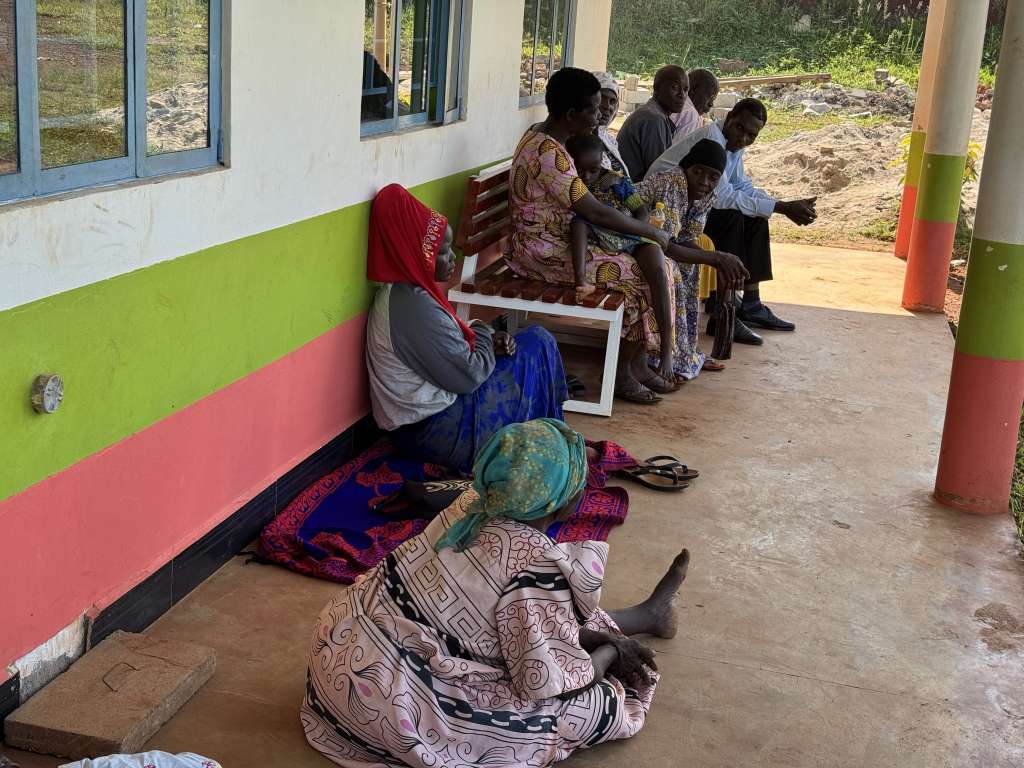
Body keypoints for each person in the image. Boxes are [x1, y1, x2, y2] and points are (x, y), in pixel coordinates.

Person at [302, 418, 692, 768]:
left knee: (549, 624)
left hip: (339, 663)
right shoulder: (538, 567)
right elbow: (543, 681)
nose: (585, 486)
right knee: (587, 709)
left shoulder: (470, 505)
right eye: (579, 479)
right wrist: (609, 653)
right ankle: (641, 620)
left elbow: (489, 623)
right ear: (556, 501)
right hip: (392, 709)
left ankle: (645, 615)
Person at [505, 66, 680, 404]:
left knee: (651, 267)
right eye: (593, 109)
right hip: (540, 251)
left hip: (558, 239)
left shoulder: (546, 138)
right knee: (641, 274)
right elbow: (595, 211)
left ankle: (638, 365)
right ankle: (623, 375)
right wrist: (649, 231)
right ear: (571, 114)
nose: (599, 115)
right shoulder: (549, 153)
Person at [365, 184, 568, 473]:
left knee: (531, 346)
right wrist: (485, 333)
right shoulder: (409, 304)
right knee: (537, 343)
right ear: (415, 253)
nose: (451, 260)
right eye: (442, 252)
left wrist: (483, 337)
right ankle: (550, 440)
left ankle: (547, 437)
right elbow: (468, 375)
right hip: (431, 429)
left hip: (434, 417)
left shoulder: (408, 293)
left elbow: (449, 338)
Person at [647, 98, 817, 343]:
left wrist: (780, 204)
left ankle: (751, 303)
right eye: (740, 129)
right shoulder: (712, 139)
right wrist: (781, 207)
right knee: (732, 217)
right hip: (665, 207)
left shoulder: (732, 144)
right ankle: (722, 311)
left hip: (692, 206)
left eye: (752, 135)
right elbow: (723, 197)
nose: (744, 139)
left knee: (756, 217)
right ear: (730, 116)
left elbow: (740, 185)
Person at [565, 132, 676, 389]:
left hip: (631, 235)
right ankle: (582, 280)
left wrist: (636, 231)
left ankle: (666, 351)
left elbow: (641, 210)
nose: (586, 176)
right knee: (579, 225)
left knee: (659, 272)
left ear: (602, 162)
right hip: (597, 236)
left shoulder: (616, 181)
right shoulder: (570, 184)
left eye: (593, 170)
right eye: (580, 169)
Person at [638, 139, 748, 379]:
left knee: (691, 267)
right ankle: (658, 355)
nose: (704, 181)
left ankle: (683, 353)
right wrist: (717, 258)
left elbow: (685, 238)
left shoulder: (705, 195)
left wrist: (715, 260)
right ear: (687, 167)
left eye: (713, 176)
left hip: (653, 244)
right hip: (627, 235)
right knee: (674, 271)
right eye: (698, 172)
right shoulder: (671, 183)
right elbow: (665, 245)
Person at [616, 65, 689, 182]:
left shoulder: (656, 114)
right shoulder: (653, 119)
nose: (682, 95)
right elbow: (658, 173)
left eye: (685, 89)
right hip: (631, 191)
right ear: (657, 88)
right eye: (675, 88)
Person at [670, 68, 719, 144]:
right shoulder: (690, 114)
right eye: (710, 97)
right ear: (694, 89)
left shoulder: (674, 104)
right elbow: (679, 153)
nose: (711, 104)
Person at [592, 71, 628, 172]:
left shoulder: (609, 141)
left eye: (613, 101)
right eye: (601, 98)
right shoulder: (576, 143)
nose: (607, 107)